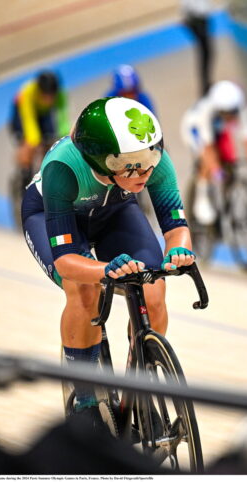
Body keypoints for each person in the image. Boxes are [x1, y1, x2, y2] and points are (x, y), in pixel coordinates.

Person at [21, 97, 195, 426]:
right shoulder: (62, 167)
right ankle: (84, 398)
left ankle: (138, 392)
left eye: (150, 159)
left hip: (114, 209)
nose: (143, 172)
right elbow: (67, 262)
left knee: (153, 291)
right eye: (129, 165)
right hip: (55, 217)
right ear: (100, 161)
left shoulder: (151, 160)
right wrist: (105, 271)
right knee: (86, 291)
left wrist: (179, 251)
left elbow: (176, 227)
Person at [181, 80, 247, 225]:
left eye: (233, 113)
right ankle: (203, 198)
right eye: (227, 114)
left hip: (217, 129)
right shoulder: (205, 111)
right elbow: (207, 147)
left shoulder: (240, 107)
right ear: (218, 109)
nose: (231, 117)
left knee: (229, 159)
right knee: (207, 163)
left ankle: (224, 192)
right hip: (194, 128)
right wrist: (215, 169)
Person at [10, 70, 70, 190]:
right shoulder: (28, 92)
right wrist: (33, 141)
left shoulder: (61, 95)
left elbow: (63, 120)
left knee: (51, 143)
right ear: (40, 91)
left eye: (51, 96)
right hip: (23, 112)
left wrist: (64, 139)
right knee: (29, 141)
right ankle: (24, 171)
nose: (49, 99)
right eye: (46, 96)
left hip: (43, 114)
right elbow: (28, 120)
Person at [181, 0, 220, 95]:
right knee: (205, 53)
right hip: (197, 21)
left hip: (201, 20)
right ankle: (205, 84)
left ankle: (206, 83)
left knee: (207, 53)